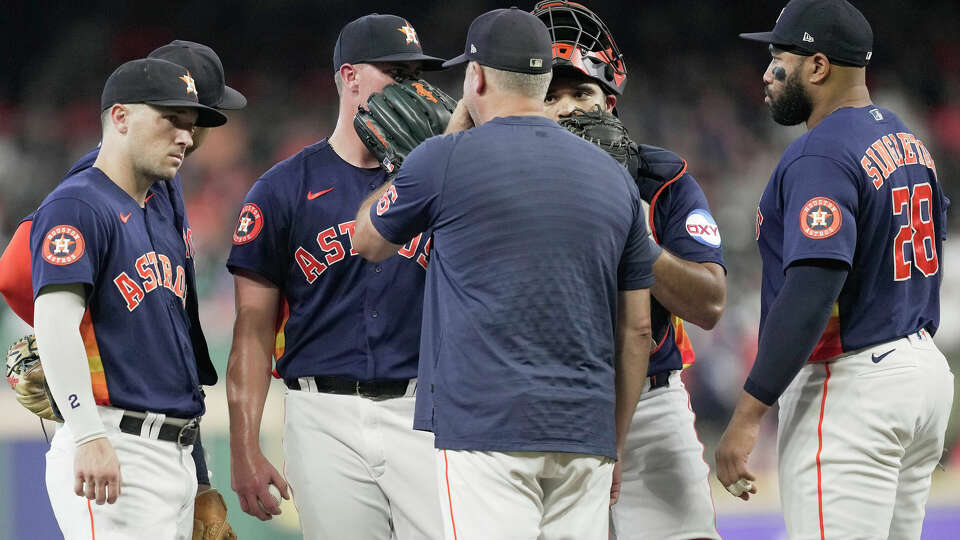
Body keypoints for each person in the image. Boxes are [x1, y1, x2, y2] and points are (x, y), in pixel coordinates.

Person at [353, 8, 657, 540]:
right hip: (584, 431)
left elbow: (368, 241)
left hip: (485, 426)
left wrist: (437, 143)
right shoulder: (614, 178)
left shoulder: (443, 159)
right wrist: (615, 439)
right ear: (543, 84)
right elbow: (636, 330)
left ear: (477, 76)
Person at [717, 1, 954, 538]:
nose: (767, 72)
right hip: (919, 372)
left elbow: (812, 289)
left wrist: (749, 413)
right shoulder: (906, 137)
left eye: (779, 58)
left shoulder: (820, 153)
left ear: (818, 67)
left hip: (853, 386)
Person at [0, 40, 247, 535]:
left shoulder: (159, 203)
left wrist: (199, 477)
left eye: (192, 122)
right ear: (120, 117)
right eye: (172, 119)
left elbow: (178, 353)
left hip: (172, 452)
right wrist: (87, 431)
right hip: (114, 447)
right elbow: (49, 317)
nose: (187, 135)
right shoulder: (80, 204)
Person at [224, 13, 445, 540]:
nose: (411, 87)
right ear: (350, 78)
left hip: (425, 410)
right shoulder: (282, 190)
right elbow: (252, 328)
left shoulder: (441, 180)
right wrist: (244, 447)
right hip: (322, 416)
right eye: (395, 72)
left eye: (417, 73)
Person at [533, 2, 726, 538]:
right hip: (544, 404)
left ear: (611, 105)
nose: (567, 108)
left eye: (581, 93)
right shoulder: (499, 184)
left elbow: (709, 303)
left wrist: (632, 231)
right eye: (551, 95)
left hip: (650, 405)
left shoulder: (660, 180)